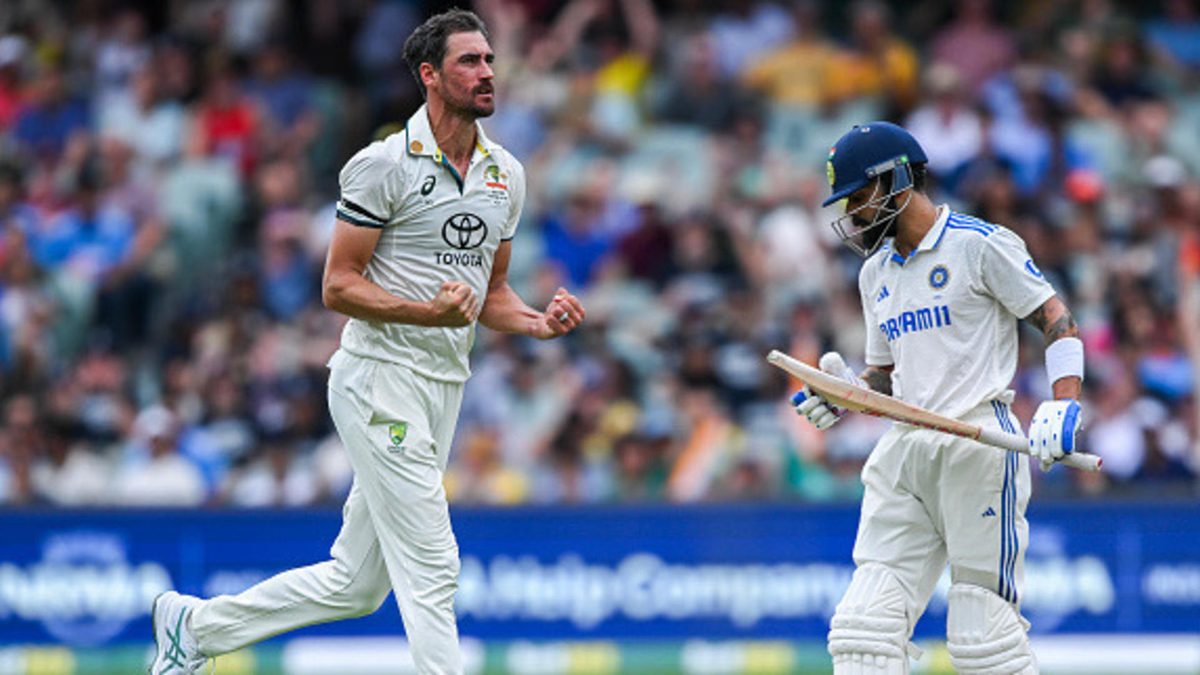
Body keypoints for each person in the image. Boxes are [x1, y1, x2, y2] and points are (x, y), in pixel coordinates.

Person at [149, 9, 585, 674]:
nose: (488, 72)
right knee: (434, 561)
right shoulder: (381, 166)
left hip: (442, 388)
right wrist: (424, 312)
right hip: (377, 377)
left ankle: (196, 626)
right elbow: (337, 285)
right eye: (470, 62)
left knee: (356, 584)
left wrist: (537, 322)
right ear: (430, 76)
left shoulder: (507, 175)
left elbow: (490, 294)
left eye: (490, 59)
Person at [792, 122, 1084, 674]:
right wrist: (844, 394)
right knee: (863, 632)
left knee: (982, 637)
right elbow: (885, 376)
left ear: (898, 180)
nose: (853, 215)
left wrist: (1063, 402)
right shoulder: (874, 271)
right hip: (905, 450)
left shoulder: (979, 243)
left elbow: (1057, 320)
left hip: (976, 442)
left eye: (859, 197)